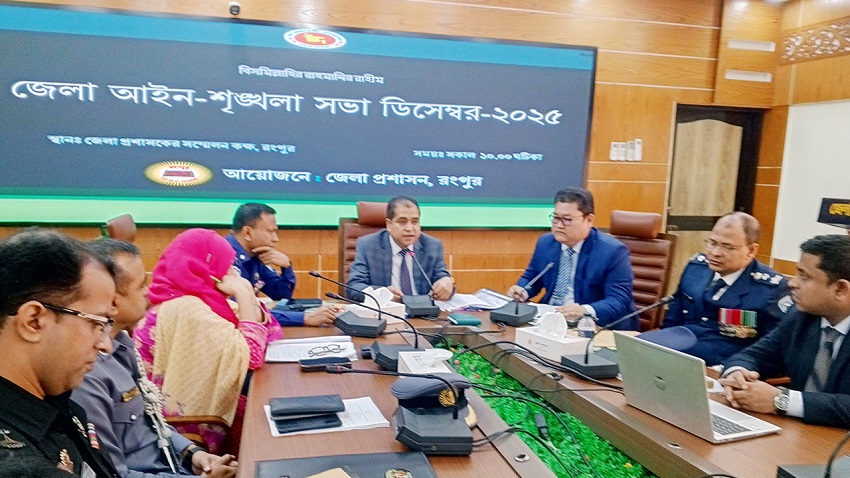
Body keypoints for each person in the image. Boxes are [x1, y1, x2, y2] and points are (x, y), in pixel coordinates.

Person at [73, 239, 237, 478]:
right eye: (141, 285)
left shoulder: (123, 345)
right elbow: (114, 475)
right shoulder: (87, 375)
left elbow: (151, 421)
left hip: (174, 467)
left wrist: (192, 453)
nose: (147, 292)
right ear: (112, 301)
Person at [134, 229, 283, 454]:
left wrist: (246, 294)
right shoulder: (187, 307)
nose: (233, 272)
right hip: (187, 432)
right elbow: (252, 355)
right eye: (228, 265)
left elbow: (271, 331)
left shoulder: (200, 298)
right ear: (205, 268)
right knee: (266, 418)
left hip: (187, 420)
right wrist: (244, 294)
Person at [0, 229, 120, 477]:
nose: (105, 345)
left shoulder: (60, 406)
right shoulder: (17, 466)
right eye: (96, 324)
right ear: (34, 321)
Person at [720, 235, 850, 428]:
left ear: (840, 289)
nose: (792, 283)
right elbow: (754, 355)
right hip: (797, 431)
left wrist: (782, 400)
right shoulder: (799, 316)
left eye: (804, 277)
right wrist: (738, 374)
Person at [660, 212, 792, 365]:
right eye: (712, 243)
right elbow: (672, 320)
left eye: (728, 247)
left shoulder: (771, 289)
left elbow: (773, 349)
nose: (715, 253)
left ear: (751, 251)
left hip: (723, 365)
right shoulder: (696, 269)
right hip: (677, 352)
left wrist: (738, 367)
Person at [507, 188, 637, 329]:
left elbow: (618, 301)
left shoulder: (613, 251)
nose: (559, 225)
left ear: (589, 220)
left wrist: (584, 310)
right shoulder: (546, 243)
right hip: (550, 318)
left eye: (567, 220)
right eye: (556, 218)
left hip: (593, 326)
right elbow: (532, 277)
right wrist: (522, 290)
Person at [225, 203, 339, 327]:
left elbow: (281, 295)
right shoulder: (225, 257)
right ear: (247, 233)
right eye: (270, 232)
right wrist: (305, 318)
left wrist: (286, 267)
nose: (275, 239)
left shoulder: (256, 255)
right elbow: (240, 312)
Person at [347, 196, 455, 303]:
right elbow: (354, 287)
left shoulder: (432, 246)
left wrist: (447, 282)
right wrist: (383, 294)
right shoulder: (368, 245)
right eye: (402, 222)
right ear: (389, 225)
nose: (410, 228)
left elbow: (443, 279)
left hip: (422, 310)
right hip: (387, 309)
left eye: (415, 222)